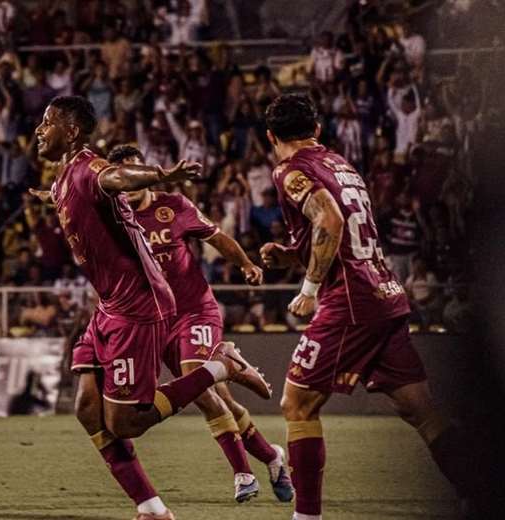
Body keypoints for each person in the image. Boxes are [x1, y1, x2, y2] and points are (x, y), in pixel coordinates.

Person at [28, 95, 269, 520]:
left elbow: (114, 177)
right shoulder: (64, 178)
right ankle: (152, 508)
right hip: (109, 305)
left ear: (72, 130)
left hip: (138, 303)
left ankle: (222, 366)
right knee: (87, 408)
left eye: (47, 122)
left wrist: (162, 174)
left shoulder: (89, 167)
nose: (38, 130)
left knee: (127, 423)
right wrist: (51, 196)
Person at [258, 95, 471, 520]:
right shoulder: (341, 165)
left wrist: (309, 287)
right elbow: (344, 234)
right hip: (385, 294)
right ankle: (482, 488)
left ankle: (306, 518)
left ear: (270, 136)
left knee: (297, 404)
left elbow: (331, 222)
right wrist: (291, 253)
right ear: (316, 130)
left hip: (350, 301)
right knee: (420, 409)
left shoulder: (290, 170)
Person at [107, 144, 293, 503]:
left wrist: (246, 264)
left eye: (135, 171)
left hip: (195, 310)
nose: (130, 181)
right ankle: (272, 457)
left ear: (146, 172)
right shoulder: (114, 217)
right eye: (123, 175)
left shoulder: (173, 206)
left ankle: (243, 475)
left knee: (197, 376)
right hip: (155, 321)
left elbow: (217, 237)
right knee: (215, 396)